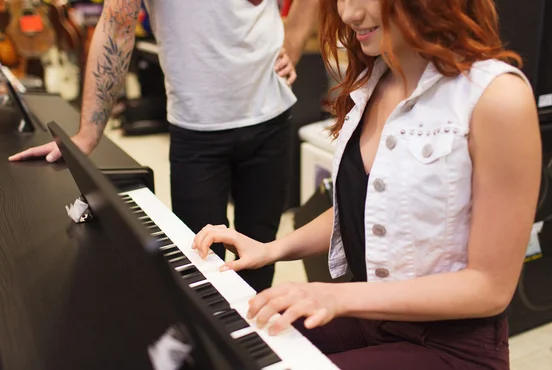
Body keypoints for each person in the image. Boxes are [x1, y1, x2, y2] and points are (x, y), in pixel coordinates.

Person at [191, 0, 542, 368]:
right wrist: (270, 249)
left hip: (450, 346)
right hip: (375, 320)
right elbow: (367, 205)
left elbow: (490, 289)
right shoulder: (374, 81)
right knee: (232, 341)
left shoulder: (497, 97)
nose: (348, 13)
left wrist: (339, 298)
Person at [8, 0, 319, 292]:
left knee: (259, 255)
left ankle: (258, 343)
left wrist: (292, 44)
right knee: (202, 266)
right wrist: (88, 134)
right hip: (196, 131)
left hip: (271, 115)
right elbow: (117, 25)